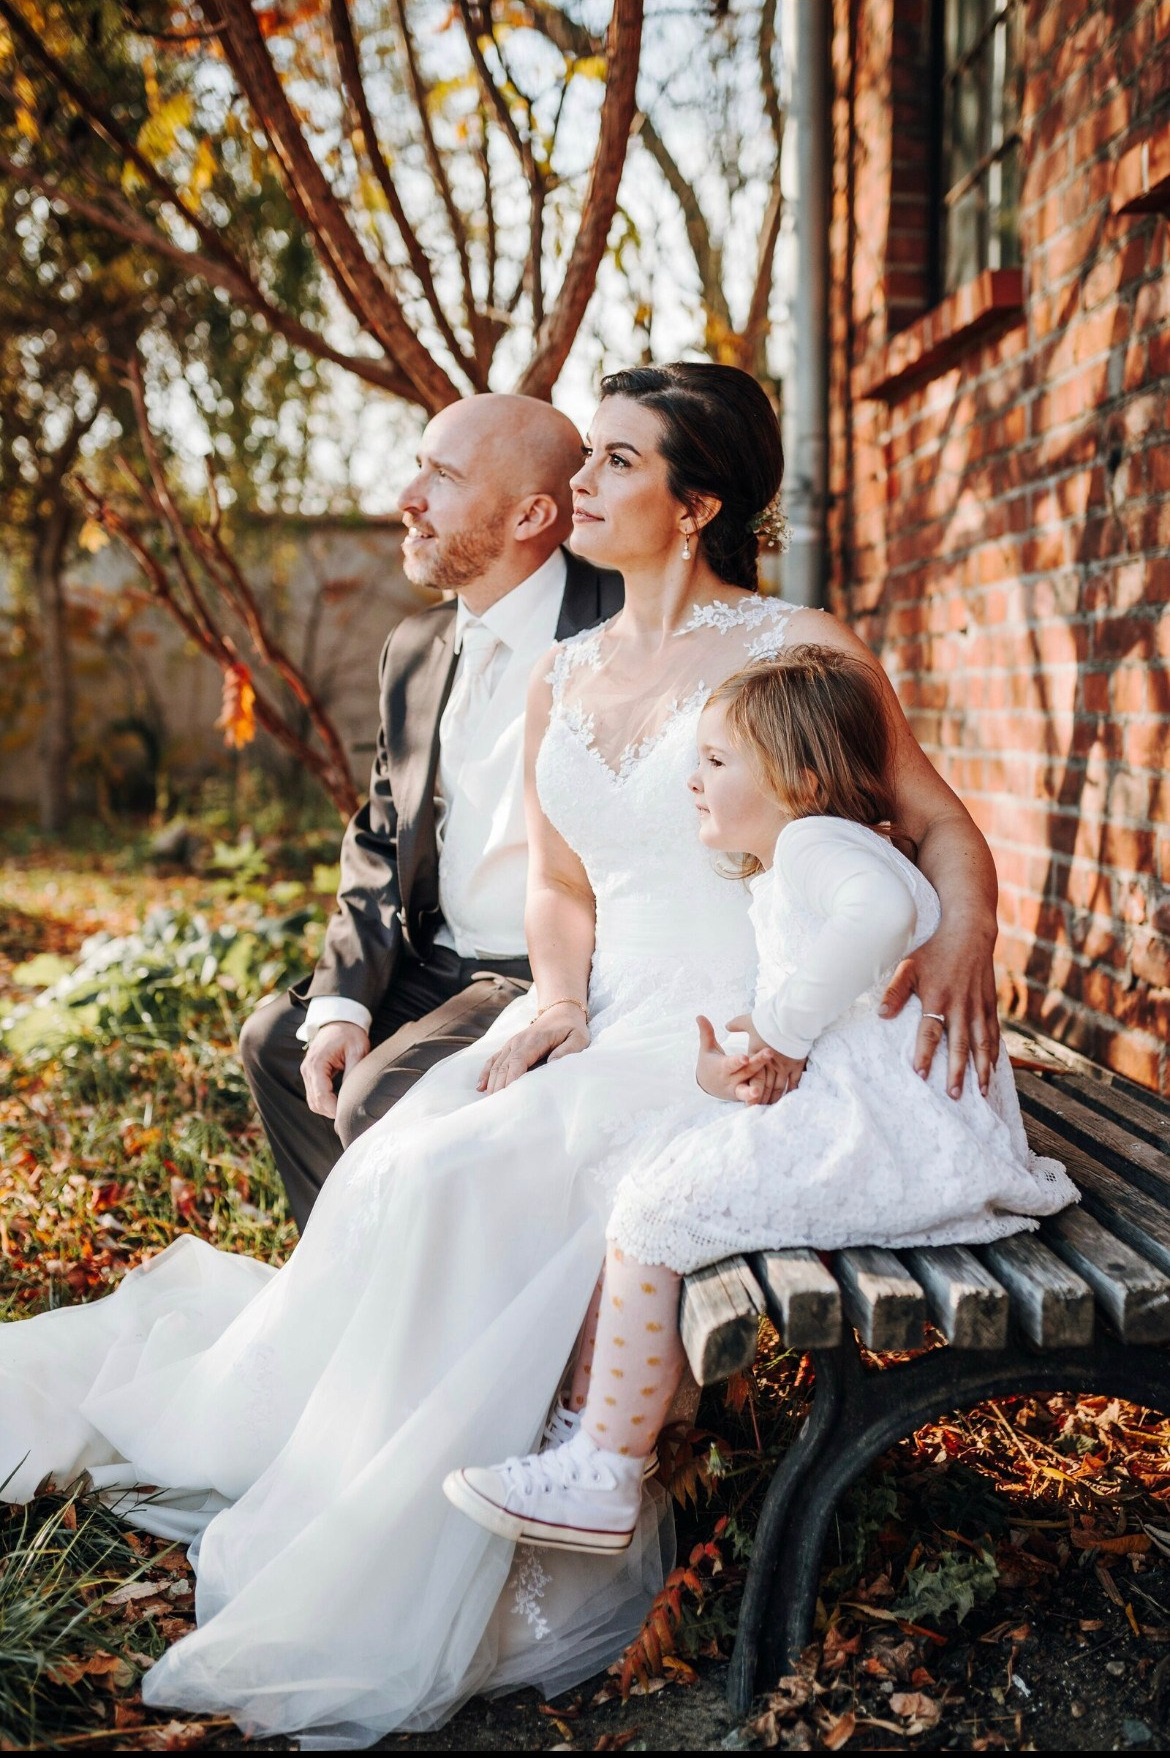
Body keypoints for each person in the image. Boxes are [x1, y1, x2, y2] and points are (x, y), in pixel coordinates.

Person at [0, 364, 1010, 1745]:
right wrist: (548, 995)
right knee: (405, 1158)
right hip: (614, 1008)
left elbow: (937, 824)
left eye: (611, 465)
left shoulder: (790, 646)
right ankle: (379, 1467)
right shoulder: (563, 672)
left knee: (458, 1173)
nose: (581, 487)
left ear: (694, 501)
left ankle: (558, 1492)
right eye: (581, 462)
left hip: (747, 1026)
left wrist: (968, 938)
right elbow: (562, 888)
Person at [444, 649, 1077, 1555]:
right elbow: (835, 1002)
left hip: (902, 1132)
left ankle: (602, 1469)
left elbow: (877, 923)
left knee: (654, 1207)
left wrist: (778, 1028)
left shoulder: (821, 844)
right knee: (663, 1171)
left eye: (715, 760)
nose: (692, 779)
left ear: (803, 776)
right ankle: (602, 1448)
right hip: (902, 1117)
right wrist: (744, 1057)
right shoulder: (811, 851)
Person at [240, 392, 623, 1227]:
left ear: (531, 513)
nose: (407, 498)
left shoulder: (625, 628)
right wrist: (343, 1003)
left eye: (441, 476)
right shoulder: (413, 649)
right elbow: (380, 837)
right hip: (435, 957)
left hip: (551, 969)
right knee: (280, 1038)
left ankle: (426, 1310)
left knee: (375, 1097)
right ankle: (343, 1284)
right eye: (418, 465)